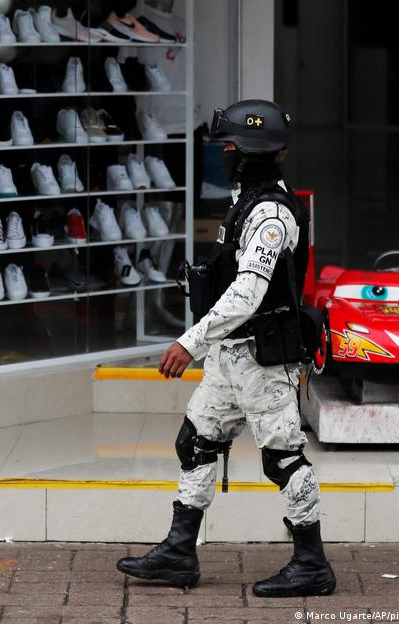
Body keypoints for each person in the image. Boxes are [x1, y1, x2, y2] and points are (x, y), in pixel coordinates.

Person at [116, 99, 336, 598]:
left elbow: (247, 293)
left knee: (282, 459)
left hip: (263, 358)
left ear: (246, 152)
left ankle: (312, 564)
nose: (221, 154)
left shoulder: (271, 215)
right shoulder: (247, 202)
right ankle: (178, 553)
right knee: (195, 443)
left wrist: (189, 342)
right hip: (230, 356)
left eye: (226, 146)